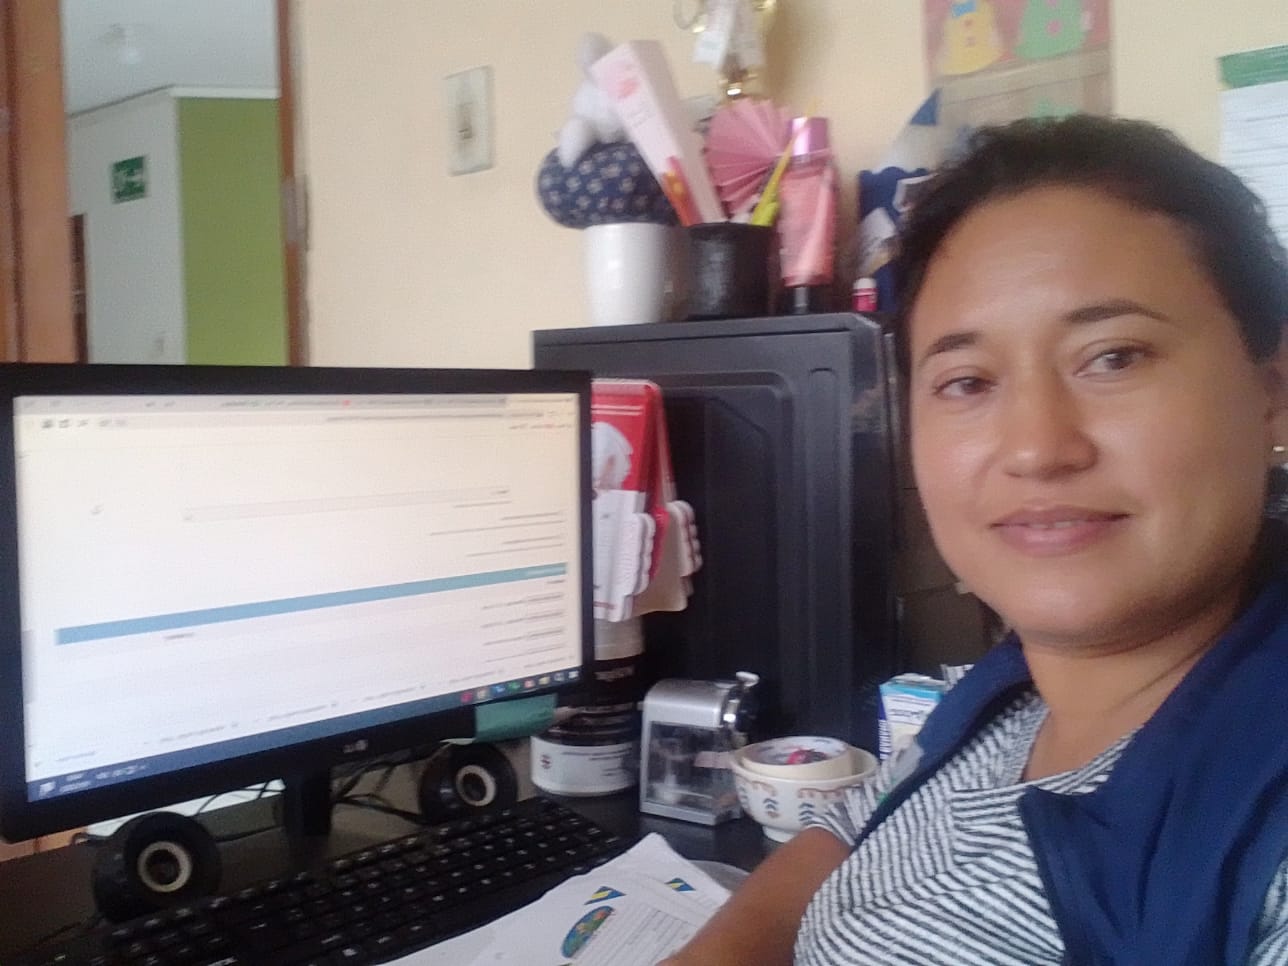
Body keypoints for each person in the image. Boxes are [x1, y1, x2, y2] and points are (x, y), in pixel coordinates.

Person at [661, 114, 1288, 965]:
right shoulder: (1014, 689)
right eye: (966, 381)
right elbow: (852, 824)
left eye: (1113, 357)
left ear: (1272, 389)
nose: (1036, 447)